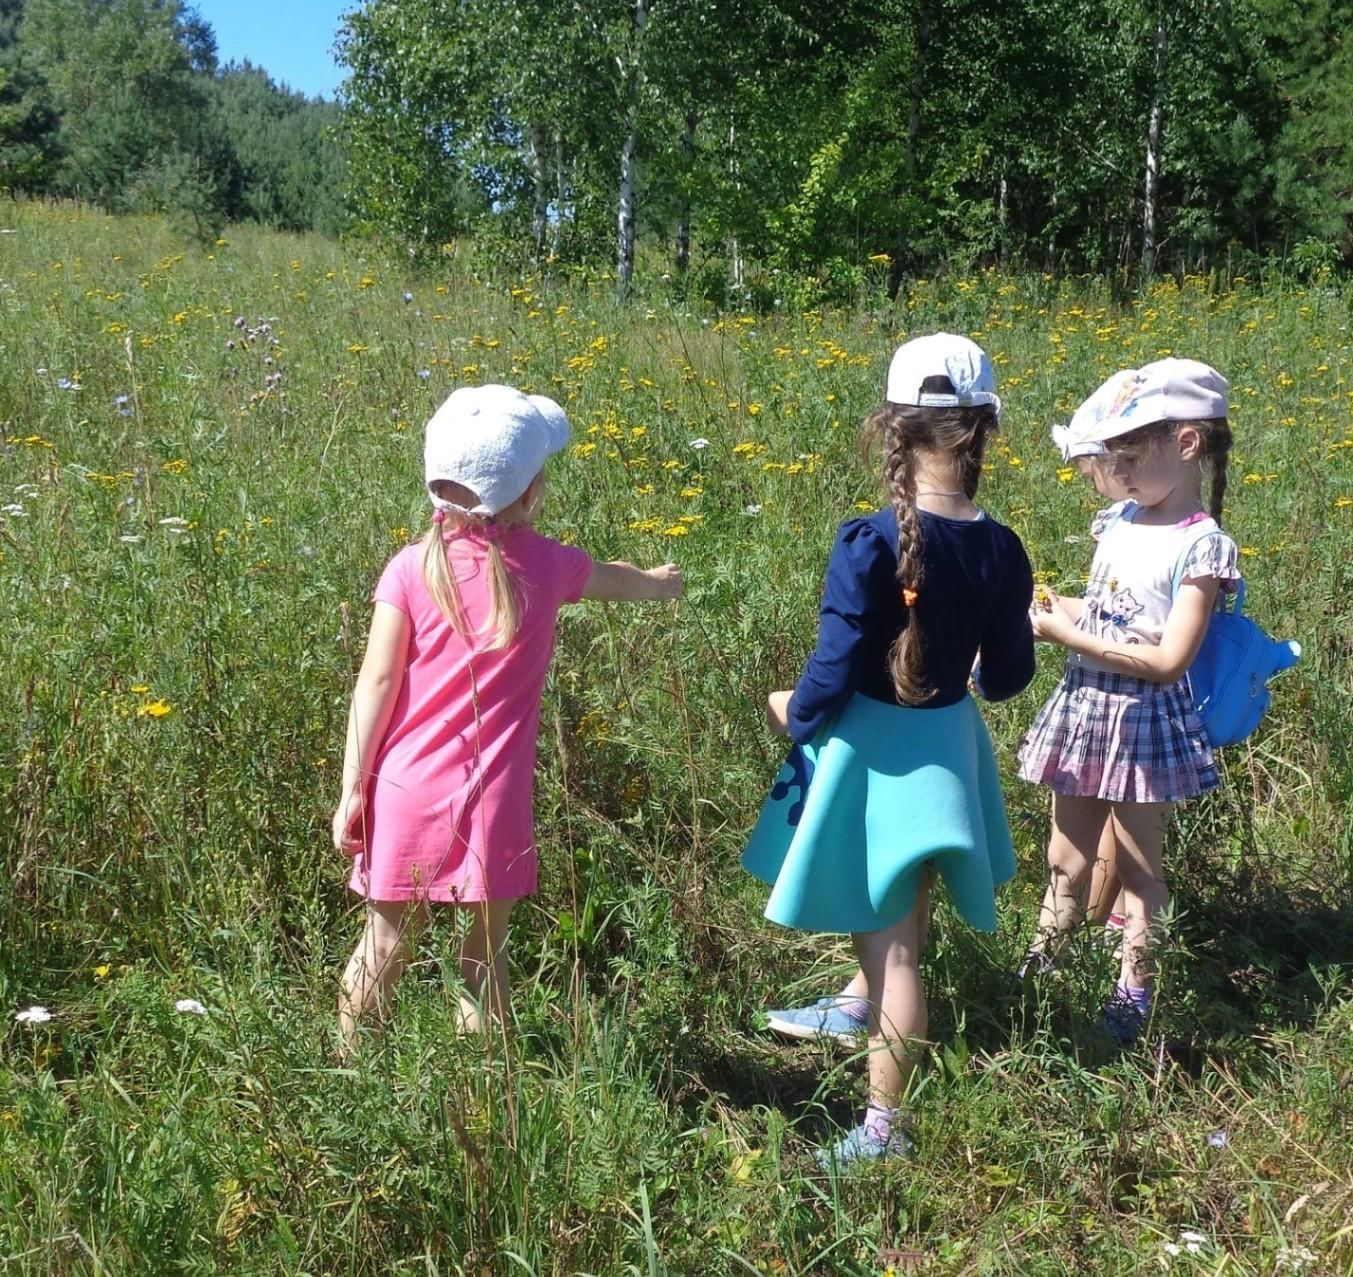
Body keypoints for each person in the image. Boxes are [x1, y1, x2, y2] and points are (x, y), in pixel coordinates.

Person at [742, 333, 1036, 1166]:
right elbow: (1009, 676)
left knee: (894, 942)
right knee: (904, 912)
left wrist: (793, 714)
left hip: (870, 754)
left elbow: (831, 670)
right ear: (983, 432)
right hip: (945, 748)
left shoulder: (869, 541)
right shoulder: (1004, 548)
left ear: (890, 429)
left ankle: (885, 1127)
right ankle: (853, 1002)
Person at [332, 384, 682, 1047]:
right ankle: (482, 1099)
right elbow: (616, 578)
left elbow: (375, 681)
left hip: (401, 789)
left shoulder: (409, 567)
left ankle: (348, 1070)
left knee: (381, 947)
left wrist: (354, 784)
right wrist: (659, 584)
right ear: (529, 492)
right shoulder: (548, 565)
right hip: (490, 800)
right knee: (480, 961)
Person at [1017, 359, 1236, 1042]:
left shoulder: (1199, 544)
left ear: (1188, 443)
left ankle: (1132, 991)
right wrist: (1056, 607)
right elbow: (1115, 611)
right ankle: (1039, 970)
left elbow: (1169, 659)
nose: (1117, 469)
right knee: (1065, 854)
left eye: (1131, 455)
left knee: (1140, 866)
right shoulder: (1120, 519)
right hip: (1084, 705)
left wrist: (1066, 632)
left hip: (1141, 717)